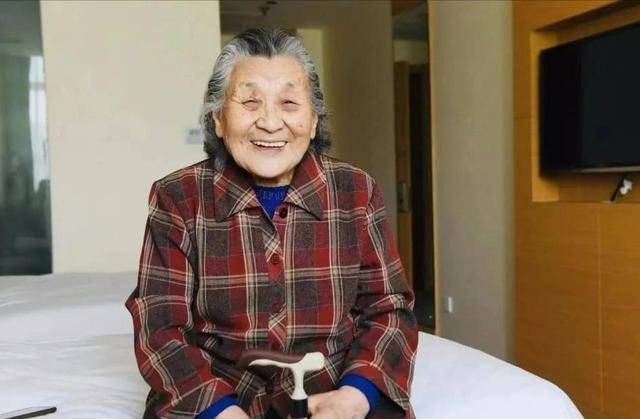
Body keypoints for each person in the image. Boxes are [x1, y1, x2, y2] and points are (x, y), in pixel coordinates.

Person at [125, 28, 418, 419]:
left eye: (289, 103)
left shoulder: (357, 190)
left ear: (313, 121)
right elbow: (160, 327)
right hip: (217, 397)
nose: (269, 122)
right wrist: (220, 411)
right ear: (218, 119)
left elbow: (389, 310)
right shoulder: (177, 196)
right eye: (249, 102)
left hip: (332, 389)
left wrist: (352, 397)